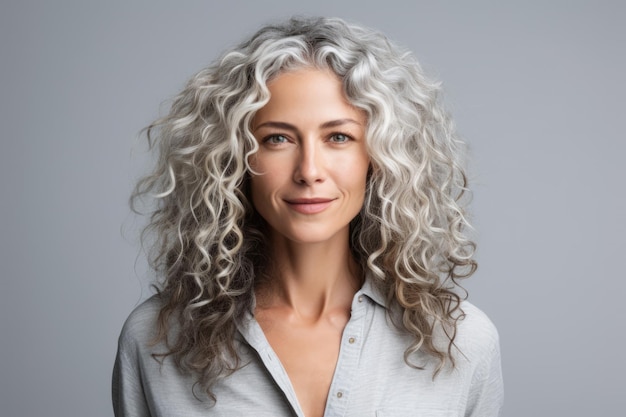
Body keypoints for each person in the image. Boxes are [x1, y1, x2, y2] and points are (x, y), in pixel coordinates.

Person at [112, 16, 503, 417]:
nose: (309, 170)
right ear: (235, 159)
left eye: (338, 137)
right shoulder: (157, 340)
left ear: (379, 157)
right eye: (277, 138)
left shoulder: (460, 341)